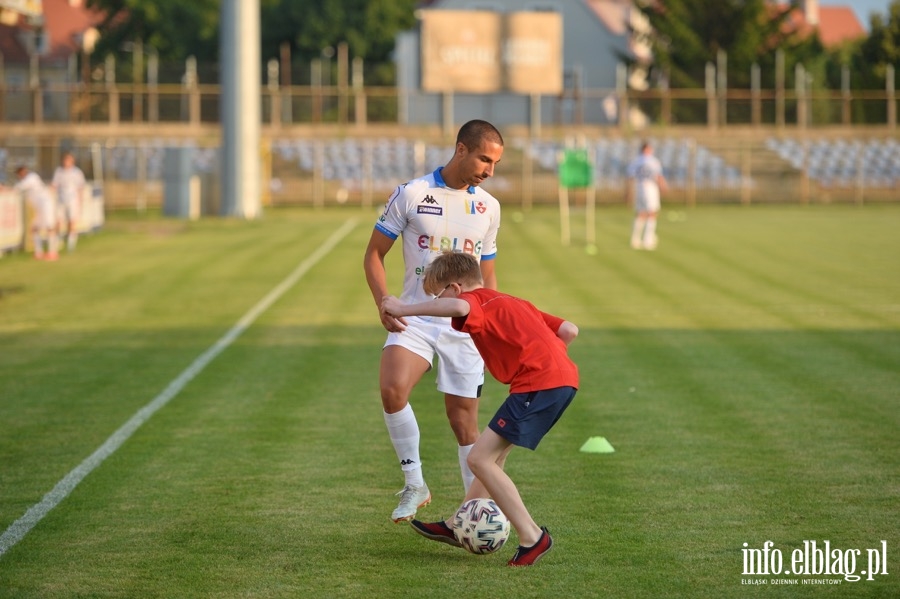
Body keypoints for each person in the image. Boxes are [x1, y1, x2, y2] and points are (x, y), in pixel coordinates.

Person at [381, 251, 579, 567]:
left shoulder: (476, 301)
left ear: (457, 287)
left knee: (479, 459)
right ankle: (457, 524)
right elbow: (569, 330)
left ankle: (532, 537)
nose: (439, 301)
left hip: (538, 382)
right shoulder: (514, 301)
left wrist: (404, 308)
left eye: (440, 293)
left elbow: (460, 306)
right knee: (494, 456)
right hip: (561, 380)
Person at [363, 119, 505, 523]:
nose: (489, 170)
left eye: (495, 163)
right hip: (417, 318)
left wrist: (491, 323)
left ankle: (473, 512)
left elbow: (488, 273)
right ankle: (415, 484)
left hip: (465, 326)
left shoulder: (488, 208)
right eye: (484, 159)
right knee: (392, 388)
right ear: (461, 149)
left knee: (464, 424)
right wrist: (383, 304)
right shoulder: (412, 194)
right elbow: (374, 254)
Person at [5, 166, 59, 260]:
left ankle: (52, 252)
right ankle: (39, 252)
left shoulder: (32, 177)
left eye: (20, 173)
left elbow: (18, 188)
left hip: (46, 206)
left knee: (49, 227)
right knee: (34, 228)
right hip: (39, 209)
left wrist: (5, 189)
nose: (19, 175)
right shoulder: (24, 182)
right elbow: (17, 188)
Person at [626, 141, 667, 250]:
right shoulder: (653, 161)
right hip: (650, 187)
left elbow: (630, 176)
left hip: (639, 187)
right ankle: (648, 240)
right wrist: (663, 186)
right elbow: (658, 175)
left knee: (640, 213)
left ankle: (635, 239)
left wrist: (628, 192)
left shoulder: (636, 161)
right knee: (652, 213)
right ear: (647, 149)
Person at [51, 152, 87, 252]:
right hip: (61, 199)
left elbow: (80, 187)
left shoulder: (77, 172)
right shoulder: (59, 171)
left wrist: (80, 201)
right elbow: (54, 185)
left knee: (71, 222)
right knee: (58, 221)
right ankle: (57, 242)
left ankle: (71, 244)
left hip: (72, 200)